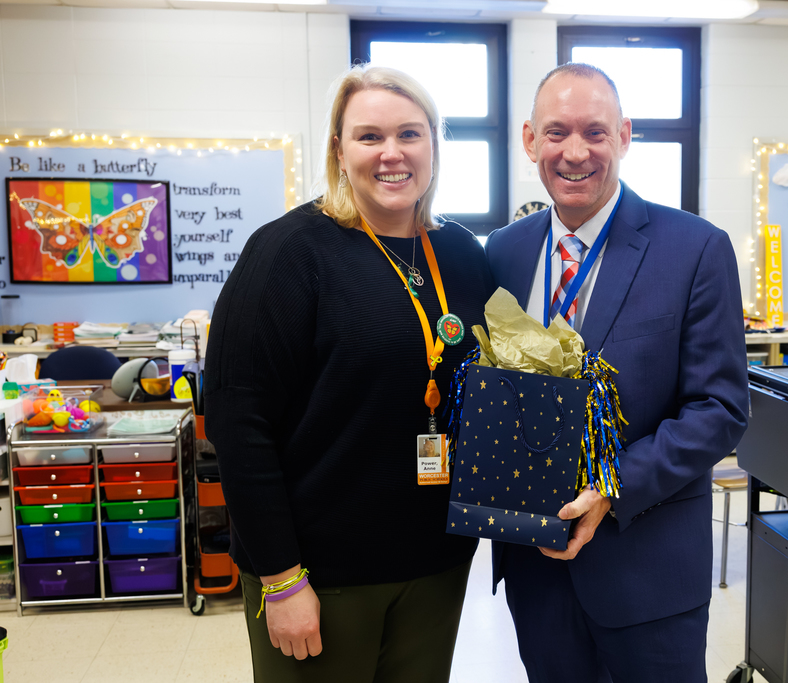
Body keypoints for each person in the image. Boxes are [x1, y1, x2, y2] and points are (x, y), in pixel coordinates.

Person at [204, 64, 492, 683]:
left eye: (410, 133)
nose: (392, 153)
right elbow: (236, 419)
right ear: (339, 149)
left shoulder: (462, 254)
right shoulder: (289, 252)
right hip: (319, 576)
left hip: (437, 565)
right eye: (369, 136)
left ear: (434, 144)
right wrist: (281, 579)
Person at [484, 63, 749, 683]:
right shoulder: (503, 251)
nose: (575, 152)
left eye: (595, 132)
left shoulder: (695, 248)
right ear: (530, 140)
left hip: (649, 573)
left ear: (624, 136)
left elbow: (720, 410)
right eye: (556, 132)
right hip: (537, 571)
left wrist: (611, 487)